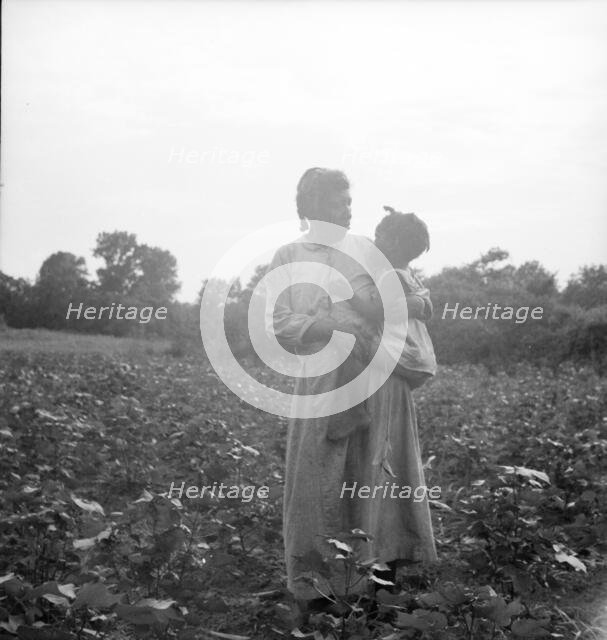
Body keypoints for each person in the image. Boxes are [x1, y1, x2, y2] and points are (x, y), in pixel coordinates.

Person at [266, 168, 436, 617]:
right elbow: (279, 322)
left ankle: (379, 589)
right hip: (325, 382)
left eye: (349, 199)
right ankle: (318, 596)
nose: (348, 207)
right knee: (319, 478)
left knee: (380, 474)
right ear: (312, 204)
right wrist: (324, 324)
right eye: (340, 199)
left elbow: (404, 288)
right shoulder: (289, 254)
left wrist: (415, 304)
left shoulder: (366, 250)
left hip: (382, 378)